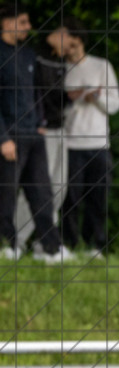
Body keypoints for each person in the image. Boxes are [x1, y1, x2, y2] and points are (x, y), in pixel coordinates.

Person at [0, 5, 70, 263]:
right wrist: (3, 138)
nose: (29, 27)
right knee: (6, 195)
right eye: (23, 21)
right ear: (7, 23)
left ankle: (51, 249)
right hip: (9, 136)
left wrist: (41, 121)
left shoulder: (28, 55)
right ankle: (8, 246)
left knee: (42, 192)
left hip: (33, 134)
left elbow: (36, 92)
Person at [61, 17, 119, 259]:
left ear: (81, 42)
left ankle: (96, 245)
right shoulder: (58, 69)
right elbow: (52, 107)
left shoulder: (101, 67)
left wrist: (96, 98)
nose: (70, 51)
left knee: (98, 199)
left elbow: (115, 105)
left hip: (98, 144)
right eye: (67, 46)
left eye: (74, 45)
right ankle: (69, 244)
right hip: (70, 142)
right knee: (69, 198)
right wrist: (72, 99)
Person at [14, 24, 69, 252]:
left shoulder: (59, 61)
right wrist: (40, 122)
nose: (70, 48)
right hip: (39, 132)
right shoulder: (34, 57)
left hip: (57, 130)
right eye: (69, 41)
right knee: (38, 190)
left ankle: (45, 241)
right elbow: (36, 94)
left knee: (58, 188)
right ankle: (15, 238)